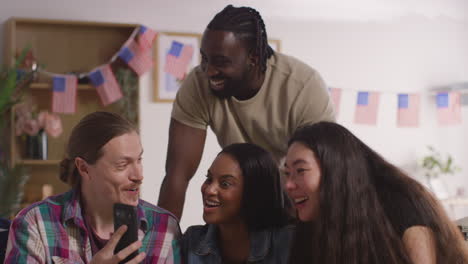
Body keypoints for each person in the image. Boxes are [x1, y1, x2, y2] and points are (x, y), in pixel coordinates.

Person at [158, 4, 335, 220]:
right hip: (246, 197)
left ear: (253, 58)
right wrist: (162, 244)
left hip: (296, 199)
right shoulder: (197, 85)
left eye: (221, 62)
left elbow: (318, 178)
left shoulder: (303, 87)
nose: (209, 71)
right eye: (205, 59)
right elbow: (177, 175)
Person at [4, 112, 181, 264]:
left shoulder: (165, 228)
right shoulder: (36, 223)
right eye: (122, 165)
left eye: (139, 160)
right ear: (84, 168)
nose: (138, 175)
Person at [284, 122, 468, 264]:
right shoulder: (311, 223)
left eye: (300, 170)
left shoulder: (402, 204)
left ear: (336, 171)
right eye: (287, 173)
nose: (289, 185)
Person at [181, 143, 293, 263]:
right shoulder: (192, 240)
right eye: (209, 179)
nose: (209, 190)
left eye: (225, 184)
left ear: (254, 193)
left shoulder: (288, 243)